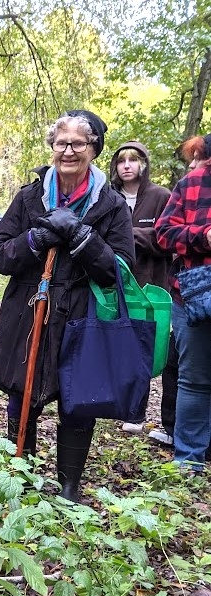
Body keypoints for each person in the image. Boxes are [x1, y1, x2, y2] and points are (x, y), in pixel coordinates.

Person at [0, 110, 135, 502]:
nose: (68, 151)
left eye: (77, 144)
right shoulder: (29, 197)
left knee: (78, 398)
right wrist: (35, 238)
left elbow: (120, 271)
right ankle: (23, 472)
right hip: (30, 309)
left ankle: (68, 486)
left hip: (84, 313)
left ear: (93, 149)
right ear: (52, 147)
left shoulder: (112, 204)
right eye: (61, 142)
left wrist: (82, 236)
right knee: (23, 390)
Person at [155, 133, 211, 471]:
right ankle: (189, 460)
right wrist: (203, 236)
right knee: (194, 378)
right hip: (194, 297)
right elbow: (164, 234)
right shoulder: (191, 184)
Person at [108, 141, 171, 435]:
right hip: (112, 282)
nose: (127, 166)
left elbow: (166, 238)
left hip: (149, 284)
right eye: (121, 161)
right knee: (113, 340)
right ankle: (114, 403)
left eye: (133, 160)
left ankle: (137, 413)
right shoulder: (109, 197)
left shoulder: (161, 196)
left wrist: (128, 234)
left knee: (143, 346)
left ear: (143, 165)